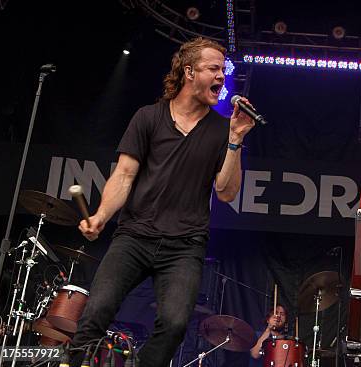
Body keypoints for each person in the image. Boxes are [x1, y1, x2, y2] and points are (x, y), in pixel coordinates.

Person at [71, 37, 255, 367]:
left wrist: (235, 141)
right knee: (96, 311)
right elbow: (125, 174)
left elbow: (226, 192)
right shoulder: (148, 117)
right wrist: (101, 215)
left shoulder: (220, 130)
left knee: (174, 324)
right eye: (213, 68)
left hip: (184, 245)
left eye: (223, 70)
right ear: (188, 72)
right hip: (135, 236)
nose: (221, 76)